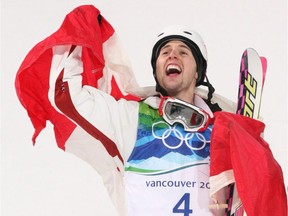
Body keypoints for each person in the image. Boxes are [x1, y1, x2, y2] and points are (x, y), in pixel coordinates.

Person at [15, 5, 287, 216]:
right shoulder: (131, 118)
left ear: (198, 72)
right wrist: (78, 36)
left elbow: (260, 187)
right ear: (157, 69)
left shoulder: (225, 126)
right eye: (164, 52)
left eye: (183, 51)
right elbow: (68, 98)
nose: (172, 56)